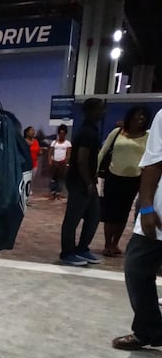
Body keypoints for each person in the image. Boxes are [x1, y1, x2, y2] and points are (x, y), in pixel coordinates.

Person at [112, 108, 162, 350]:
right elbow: (153, 163)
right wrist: (146, 208)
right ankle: (149, 330)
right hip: (159, 214)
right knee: (136, 268)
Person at [59, 98, 105, 267]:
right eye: (101, 109)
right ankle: (67, 252)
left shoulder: (91, 130)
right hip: (80, 182)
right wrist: (88, 183)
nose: (103, 112)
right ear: (91, 111)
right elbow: (81, 160)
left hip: (87, 181)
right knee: (73, 219)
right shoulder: (87, 132)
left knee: (94, 216)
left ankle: (82, 248)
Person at [98, 106, 149, 256]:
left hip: (134, 179)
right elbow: (102, 152)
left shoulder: (147, 136)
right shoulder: (117, 133)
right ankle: (107, 244)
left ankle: (115, 243)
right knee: (110, 213)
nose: (140, 119)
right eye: (137, 115)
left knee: (124, 213)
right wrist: (94, 173)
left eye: (143, 116)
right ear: (130, 116)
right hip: (113, 177)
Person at [48, 124, 71, 200]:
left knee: (60, 178)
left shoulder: (67, 143)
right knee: (53, 178)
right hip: (55, 162)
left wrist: (66, 163)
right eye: (60, 133)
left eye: (63, 133)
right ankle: (53, 193)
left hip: (62, 163)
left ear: (65, 134)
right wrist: (50, 161)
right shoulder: (54, 142)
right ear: (58, 133)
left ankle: (58, 193)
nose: (62, 135)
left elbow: (68, 154)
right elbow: (50, 152)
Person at [24, 126, 41, 204]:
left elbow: (38, 151)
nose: (33, 132)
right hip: (25, 165)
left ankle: (28, 198)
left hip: (34, 165)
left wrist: (40, 152)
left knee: (31, 182)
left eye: (34, 131)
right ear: (27, 132)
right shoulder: (23, 141)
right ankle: (23, 198)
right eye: (31, 131)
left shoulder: (36, 141)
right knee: (25, 182)